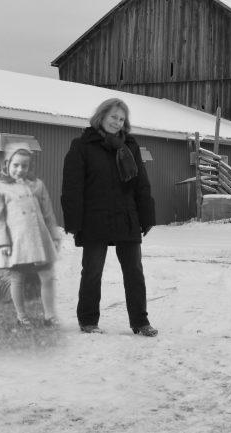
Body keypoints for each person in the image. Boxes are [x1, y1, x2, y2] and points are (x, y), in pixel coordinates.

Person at [61, 98, 158, 337]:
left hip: (126, 218)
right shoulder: (82, 146)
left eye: (122, 119)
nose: (117, 122)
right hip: (95, 219)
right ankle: (88, 321)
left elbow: (141, 185)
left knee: (134, 271)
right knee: (92, 271)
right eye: (113, 117)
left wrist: (147, 217)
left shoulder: (130, 146)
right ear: (102, 117)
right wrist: (74, 222)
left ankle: (140, 322)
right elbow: (73, 188)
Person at [0, 144, 61, 327]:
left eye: (25, 166)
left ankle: (49, 315)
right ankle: (21, 316)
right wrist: (3, 243)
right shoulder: (0, 188)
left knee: (46, 275)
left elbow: (48, 214)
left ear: (30, 167)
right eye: (16, 165)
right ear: (7, 164)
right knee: (17, 278)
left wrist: (54, 235)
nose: (20, 170)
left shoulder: (37, 186)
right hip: (17, 242)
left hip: (39, 240)